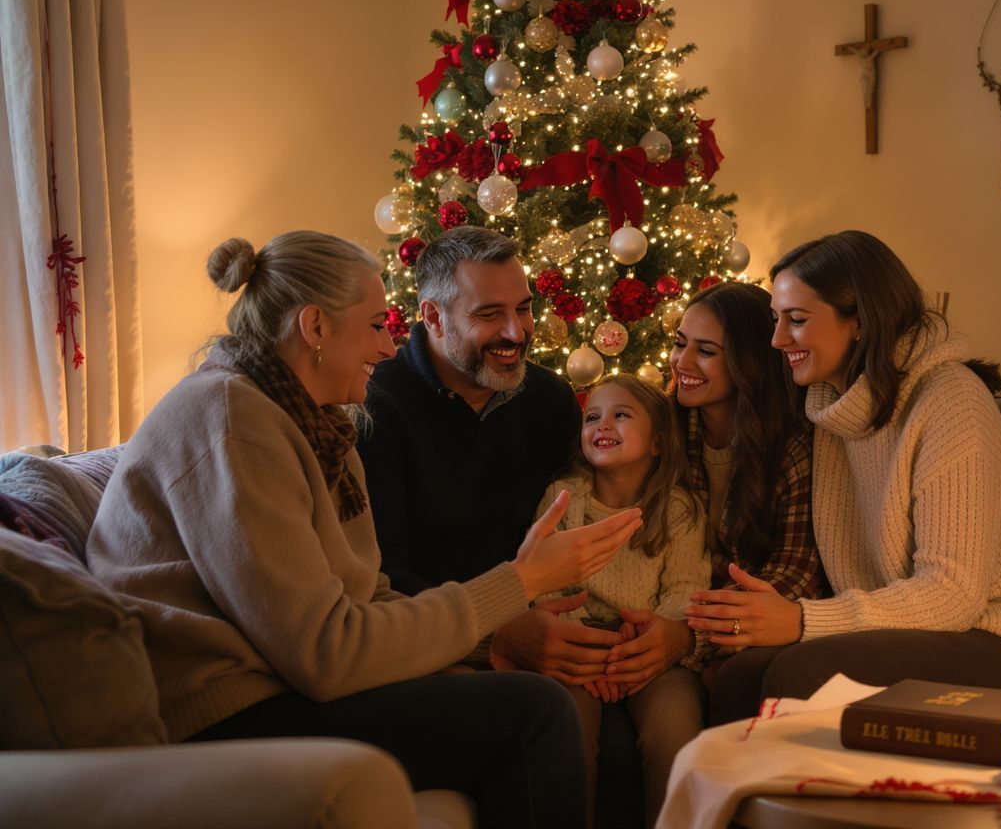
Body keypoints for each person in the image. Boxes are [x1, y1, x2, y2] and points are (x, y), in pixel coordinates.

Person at [86, 230, 643, 828]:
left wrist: (496, 636)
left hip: (283, 680)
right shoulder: (232, 420)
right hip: (223, 713)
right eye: (376, 325)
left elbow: (367, 593)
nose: (388, 346)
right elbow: (326, 653)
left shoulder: (319, 421)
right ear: (315, 327)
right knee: (534, 714)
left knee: (554, 711)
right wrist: (519, 583)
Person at [686, 230, 1001, 723]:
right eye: (775, 320)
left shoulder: (950, 401)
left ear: (861, 322)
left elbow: (952, 594)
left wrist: (802, 619)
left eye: (796, 320)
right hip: (898, 629)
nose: (777, 340)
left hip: (1000, 632)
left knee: (802, 674)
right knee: (739, 675)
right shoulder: (828, 408)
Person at [358, 226, 581, 596]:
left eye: (523, 308)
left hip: (549, 605)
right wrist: (503, 621)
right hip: (432, 625)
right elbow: (382, 577)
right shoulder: (375, 408)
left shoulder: (552, 398)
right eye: (490, 314)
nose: (516, 332)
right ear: (434, 317)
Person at [529, 375, 709, 828]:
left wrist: (647, 635)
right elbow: (544, 582)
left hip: (649, 649)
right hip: (577, 642)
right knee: (568, 725)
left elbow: (685, 588)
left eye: (621, 415)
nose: (602, 425)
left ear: (658, 442)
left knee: (675, 725)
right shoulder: (563, 498)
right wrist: (586, 644)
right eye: (592, 417)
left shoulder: (679, 509)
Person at [658, 282, 827, 725]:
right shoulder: (662, 432)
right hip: (667, 608)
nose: (682, 362)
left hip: (744, 622)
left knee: (734, 676)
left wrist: (693, 634)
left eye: (706, 351)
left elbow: (795, 575)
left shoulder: (792, 448)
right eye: (679, 343)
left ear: (748, 362)